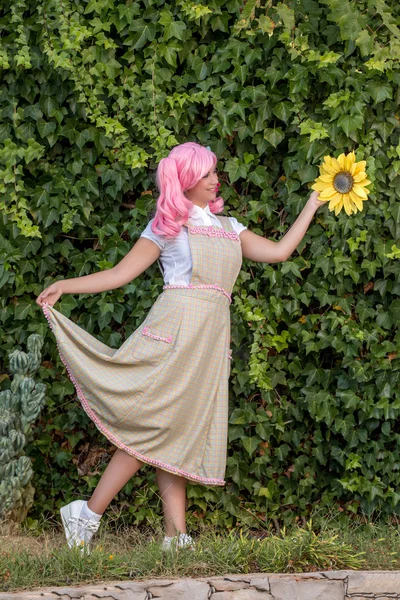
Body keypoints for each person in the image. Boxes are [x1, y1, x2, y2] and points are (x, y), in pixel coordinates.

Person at [36, 141, 324, 553]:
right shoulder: (167, 225)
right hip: (172, 333)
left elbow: (279, 252)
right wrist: (66, 285)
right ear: (187, 180)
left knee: (179, 432)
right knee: (154, 426)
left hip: (208, 341)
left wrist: (313, 203)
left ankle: (174, 535)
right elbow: (120, 273)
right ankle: (86, 515)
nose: (215, 179)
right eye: (206, 173)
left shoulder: (230, 228)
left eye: (213, 172)